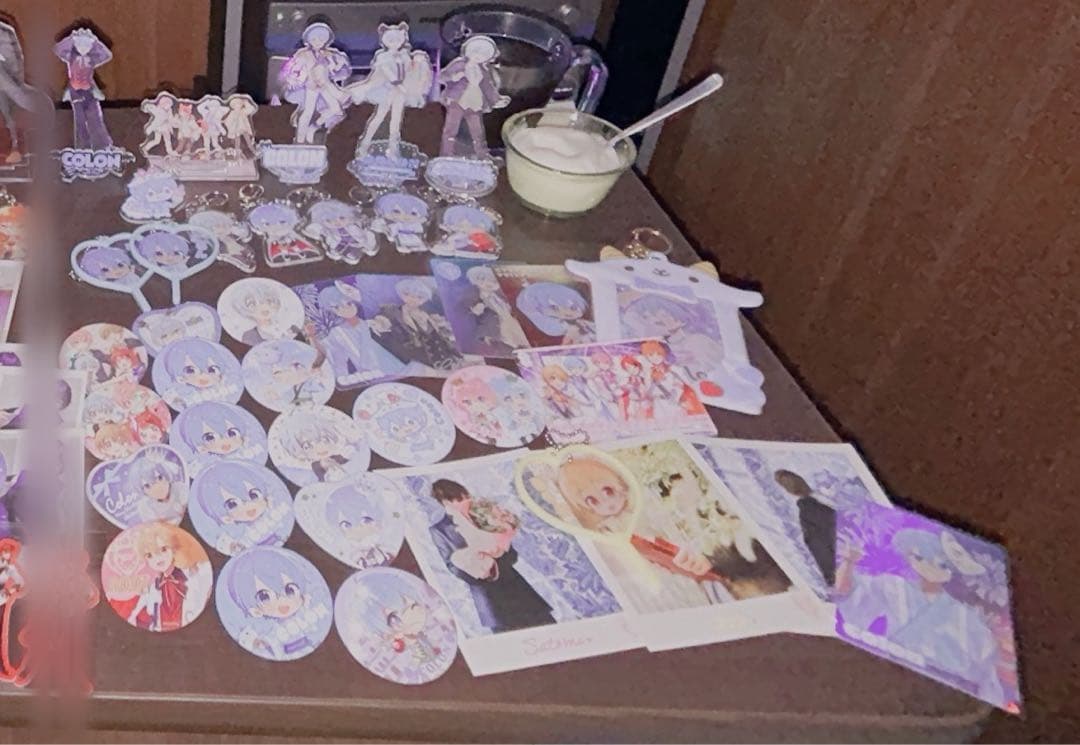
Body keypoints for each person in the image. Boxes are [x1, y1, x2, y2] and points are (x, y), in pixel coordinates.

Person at [427, 479, 553, 633]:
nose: (465, 501)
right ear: (445, 502)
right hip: (489, 598)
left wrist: (496, 553)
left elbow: (511, 554)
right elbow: (453, 567)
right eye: (458, 499)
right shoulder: (439, 530)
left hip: (516, 588)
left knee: (547, 629)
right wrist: (481, 569)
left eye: (465, 496)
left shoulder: (482, 513)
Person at [773, 469, 836, 586]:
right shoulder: (811, 510)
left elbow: (819, 547)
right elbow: (819, 547)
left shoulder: (812, 508)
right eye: (787, 483)